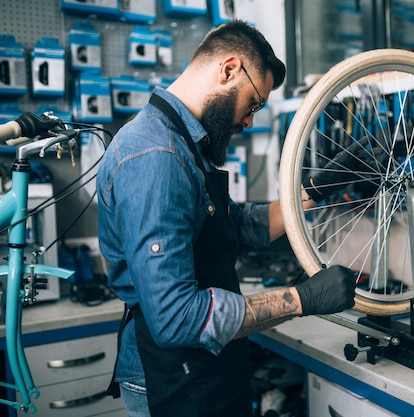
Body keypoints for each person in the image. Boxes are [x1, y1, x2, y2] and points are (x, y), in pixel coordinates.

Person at [96, 20, 364, 417]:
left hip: (205, 368)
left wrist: (313, 192)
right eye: (254, 103)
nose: (250, 120)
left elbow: (234, 224)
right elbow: (174, 317)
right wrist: (300, 299)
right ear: (228, 70)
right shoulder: (157, 157)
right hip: (175, 376)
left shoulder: (184, 143)